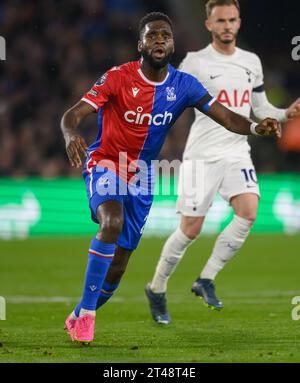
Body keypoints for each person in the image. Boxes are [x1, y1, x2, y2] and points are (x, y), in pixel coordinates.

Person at [61, 11, 280, 344]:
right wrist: (69, 133)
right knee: (111, 221)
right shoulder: (118, 77)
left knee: (119, 263)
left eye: (165, 35)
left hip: (144, 176)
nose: (159, 40)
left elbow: (223, 115)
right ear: (141, 44)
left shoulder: (184, 85)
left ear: (173, 44)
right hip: (107, 162)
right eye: (152, 35)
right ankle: (88, 318)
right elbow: (72, 115)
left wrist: (253, 126)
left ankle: (79, 312)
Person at [146, 0, 300, 325]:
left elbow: (259, 108)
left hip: (237, 151)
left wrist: (283, 114)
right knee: (190, 229)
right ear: (209, 26)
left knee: (248, 211)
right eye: (221, 21)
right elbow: (171, 100)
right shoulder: (195, 62)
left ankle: (206, 279)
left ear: (239, 22)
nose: (227, 25)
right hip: (201, 155)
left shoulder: (251, 62)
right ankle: (156, 287)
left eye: (232, 20)